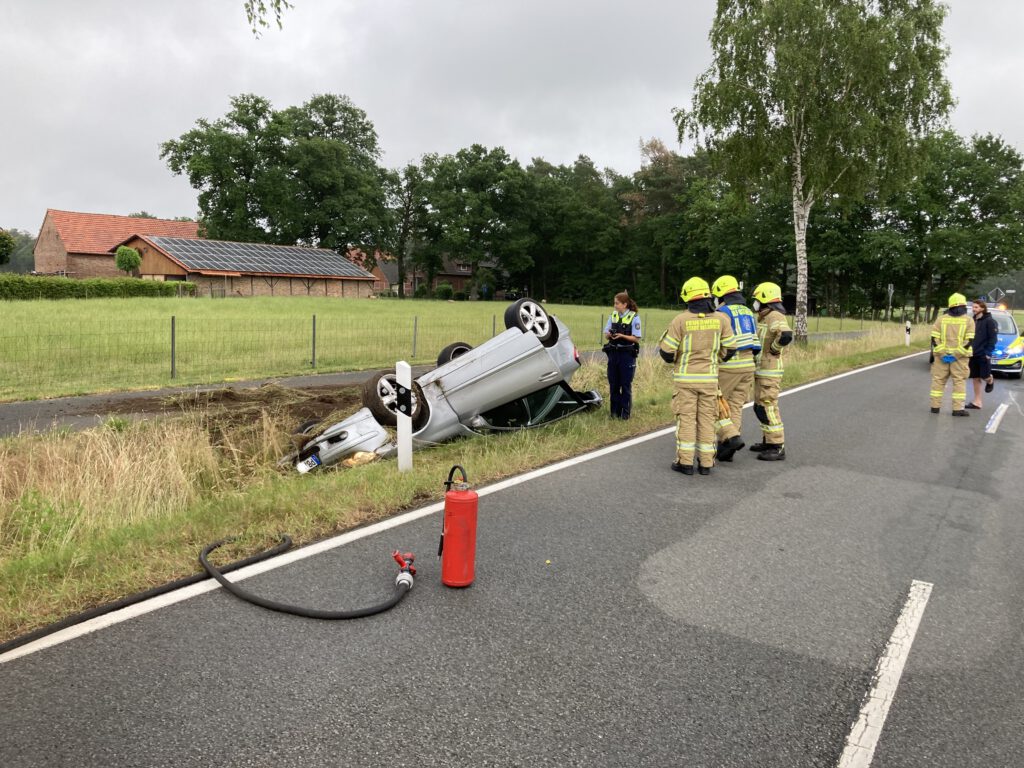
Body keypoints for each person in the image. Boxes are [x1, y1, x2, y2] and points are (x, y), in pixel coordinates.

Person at [659, 277, 736, 476]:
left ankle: (685, 463)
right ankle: (706, 464)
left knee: (686, 420)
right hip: (709, 380)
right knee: (707, 420)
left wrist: (679, 358)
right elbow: (731, 349)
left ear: (687, 298)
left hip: (685, 381)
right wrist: (715, 358)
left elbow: (666, 352)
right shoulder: (721, 319)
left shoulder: (680, 320)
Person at [711, 275, 761, 461]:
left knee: (713, 403)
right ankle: (727, 450)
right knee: (735, 406)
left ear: (721, 294)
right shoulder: (747, 311)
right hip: (748, 365)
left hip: (729, 365)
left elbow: (717, 339)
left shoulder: (723, 312)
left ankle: (729, 436)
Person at [749, 282, 792, 461]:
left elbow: (787, 335)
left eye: (757, 300)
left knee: (768, 407)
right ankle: (768, 441)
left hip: (769, 371)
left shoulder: (775, 316)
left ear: (765, 299)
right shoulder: (764, 317)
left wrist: (774, 349)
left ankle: (777, 446)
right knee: (759, 407)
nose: (755, 304)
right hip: (762, 370)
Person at [930, 292, 975, 416]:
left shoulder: (941, 319)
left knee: (938, 381)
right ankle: (957, 409)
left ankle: (935, 407)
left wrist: (943, 353)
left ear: (950, 306)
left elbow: (934, 339)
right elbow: (969, 341)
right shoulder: (969, 320)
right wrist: (956, 355)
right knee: (959, 381)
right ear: (964, 306)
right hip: (960, 358)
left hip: (941, 357)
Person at [602, 291, 642, 419]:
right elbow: (606, 332)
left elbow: (636, 338)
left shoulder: (634, 317)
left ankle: (625, 414)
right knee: (614, 384)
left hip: (626, 355)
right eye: (615, 303)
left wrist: (622, 336)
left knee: (625, 385)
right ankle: (614, 413)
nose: (615, 305)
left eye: (617, 303)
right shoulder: (613, 316)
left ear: (624, 304)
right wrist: (610, 335)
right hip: (613, 354)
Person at [966, 298, 997, 409]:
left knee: (985, 376)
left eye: (976, 307)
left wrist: (988, 352)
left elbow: (993, 339)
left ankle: (990, 379)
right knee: (975, 377)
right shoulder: (972, 320)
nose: (974, 309)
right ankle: (977, 402)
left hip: (983, 354)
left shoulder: (989, 321)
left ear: (982, 308)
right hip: (972, 354)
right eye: (973, 307)